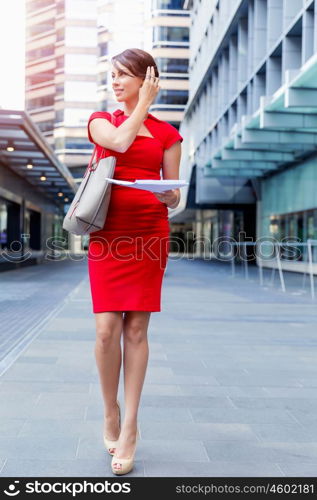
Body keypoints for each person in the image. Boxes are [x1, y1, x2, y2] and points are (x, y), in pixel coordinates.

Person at [87, 48, 183, 475]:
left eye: (124, 75)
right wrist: (142, 103)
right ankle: (110, 411)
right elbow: (123, 142)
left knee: (137, 330)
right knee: (107, 331)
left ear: (146, 79)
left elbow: (174, 193)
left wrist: (170, 195)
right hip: (108, 234)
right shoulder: (101, 121)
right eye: (113, 75)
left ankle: (130, 428)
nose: (115, 81)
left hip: (148, 233)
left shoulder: (168, 135)